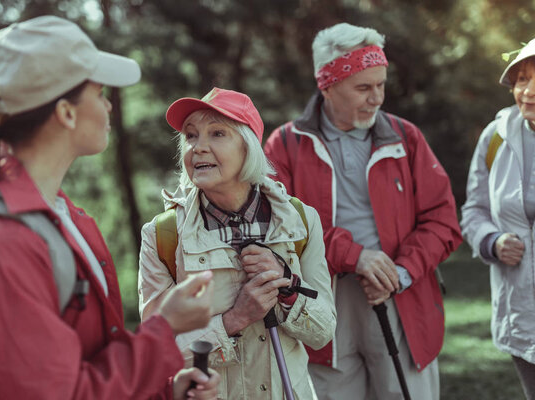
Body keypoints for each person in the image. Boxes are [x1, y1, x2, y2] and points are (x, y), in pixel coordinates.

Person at [0, 16, 220, 400]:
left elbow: (82, 367)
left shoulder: (65, 217)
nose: (108, 106)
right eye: (100, 93)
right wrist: (165, 331)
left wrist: (164, 391)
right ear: (66, 113)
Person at [264, 23, 462, 400]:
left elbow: (443, 220)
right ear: (327, 85)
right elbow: (279, 223)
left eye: (381, 85)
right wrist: (355, 257)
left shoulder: (406, 138)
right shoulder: (285, 144)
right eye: (363, 87)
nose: (377, 98)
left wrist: (400, 272)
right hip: (320, 299)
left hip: (398, 293)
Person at [138, 87, 336, 399]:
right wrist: (234, 320)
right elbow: (153, 352)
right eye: (191, 136)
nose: (198, 148)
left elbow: (323, 333)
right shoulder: (162, 235)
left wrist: (287, 287)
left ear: (249, 147)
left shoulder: (300, 220)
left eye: (217, 134)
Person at [461, 38, 535, 400]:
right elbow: (474, 209)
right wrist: (492, 241)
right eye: (522, 79)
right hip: (521, 312)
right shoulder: (497, 137)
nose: (529, 91)